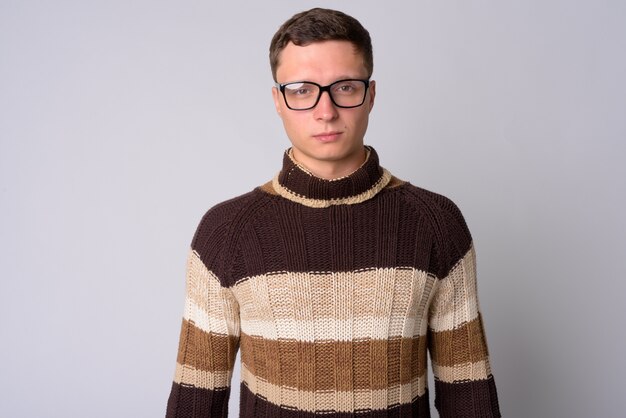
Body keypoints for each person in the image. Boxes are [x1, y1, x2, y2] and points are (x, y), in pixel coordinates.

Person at [166, 7, 501, 418]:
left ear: (371, 94)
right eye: (303, 90)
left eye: (344, 87)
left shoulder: (436, 223)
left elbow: (469, 395)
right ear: (278, 100)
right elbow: (195, 400)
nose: (326, 111)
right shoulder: (225, 232)